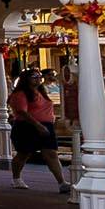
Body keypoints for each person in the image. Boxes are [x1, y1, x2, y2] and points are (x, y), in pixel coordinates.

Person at [9, 67, 73, 195]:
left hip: (46, 125)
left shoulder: (41, 92)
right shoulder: (20, 94)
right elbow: (22, 112)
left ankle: (62, 182)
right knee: (24, 153)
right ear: (26, 79)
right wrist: (38, 125)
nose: (38, 79)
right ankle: (16, 178)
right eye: (34, 77)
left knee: (51, 153)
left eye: (39, 77)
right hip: (27, 126)